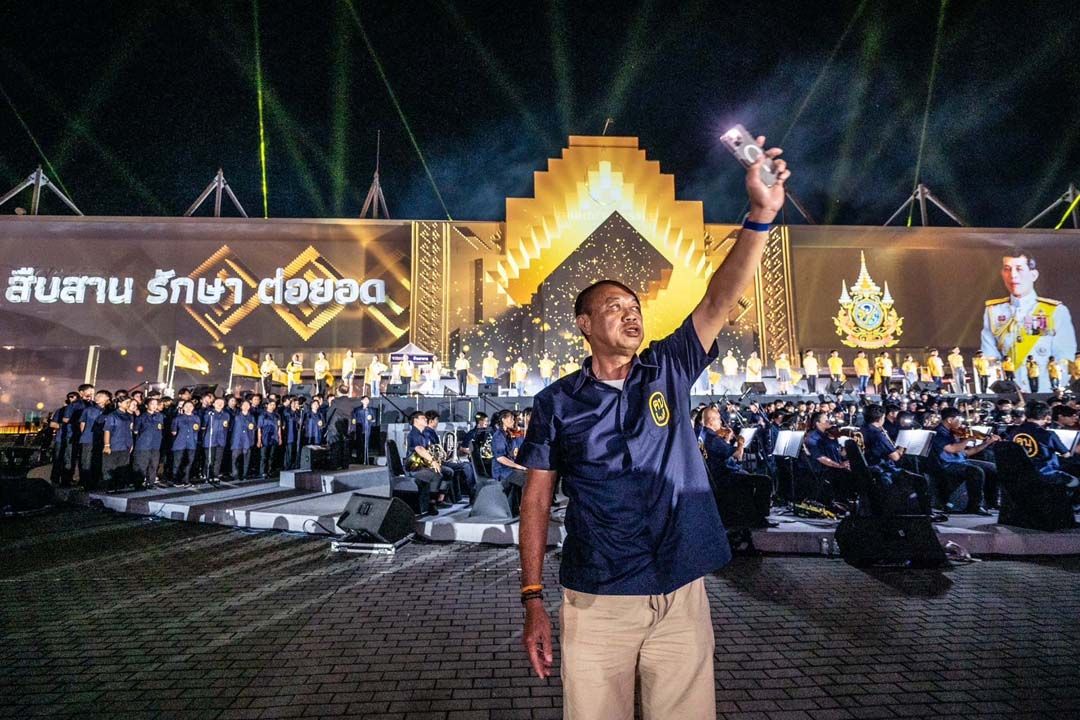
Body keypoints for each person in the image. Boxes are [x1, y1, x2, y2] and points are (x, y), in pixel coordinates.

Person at [516, 136, 789, 718]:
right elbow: (537, 500)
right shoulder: (556, 402)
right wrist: (533, 599)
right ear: (585, 325)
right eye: (614, 305)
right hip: (597, 601)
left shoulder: (669, 367)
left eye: (635, 303)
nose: (631, 310)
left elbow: (720, 297)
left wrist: (761, 216)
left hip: (680, 594)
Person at [981, 249, 1076, 393]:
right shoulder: (994, 311)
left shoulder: (1055, 311)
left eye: (1019, 269)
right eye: (1007, 269)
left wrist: (1054, 390)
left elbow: (1065, 359)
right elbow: (989, 356)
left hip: (1046, 392)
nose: (1013, 275)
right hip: (1008, 395)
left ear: (1033, 275)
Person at [699, 407, 774, 528]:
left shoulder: (703, 434)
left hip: (713, 477)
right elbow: (738, 456)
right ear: (711, 421)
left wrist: (727, 439)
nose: (721, 423)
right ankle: (759, 519)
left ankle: (750, 516)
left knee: (746, 478)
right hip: (723, 477)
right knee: (765, 481)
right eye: (718, 420)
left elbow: (720, 451)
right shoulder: (714, 439)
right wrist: (741, 442)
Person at [860, 404, 933, 515]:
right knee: (920, 480)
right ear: (882, 417)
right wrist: (902, 446)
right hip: (881, 469)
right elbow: (896, 457)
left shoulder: (863, 429)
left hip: (867, 468)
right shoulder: (877, 434)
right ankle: (923, 513)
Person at [929, 407, 998, 514]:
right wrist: (968, 439)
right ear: (950, 420)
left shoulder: (955, 432)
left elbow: (967, 452)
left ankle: (991, 502)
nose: (961, 422)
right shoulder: (939, 433)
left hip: (961, 461)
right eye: (959, 419)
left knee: (992, 468)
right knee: (975, 471)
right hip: (947, 465)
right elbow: (953, 449)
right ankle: (974, 505)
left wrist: (987, 443)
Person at [1007, 401, 1080, 489]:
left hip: (1022, 474)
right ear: (1046, 416)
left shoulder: (1014, 432)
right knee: (1075, 480)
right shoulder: (1048, 434)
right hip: (1046, 474)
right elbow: (1066, 455)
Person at [804, 411, 854, 502]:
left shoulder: (829, 434)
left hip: (835, 466)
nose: (829, 422)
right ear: (818, 423)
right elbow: (820, 457)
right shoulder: (813, 437)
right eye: (826, 420)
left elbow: (839, 452)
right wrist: (839, 465)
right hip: (824, 470)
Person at [491, 409, 527, 514]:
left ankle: (518, 507)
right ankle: (524, 509)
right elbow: (500, 458)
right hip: (502, 471)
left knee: (530, 476)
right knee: (526, 481)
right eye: (511, 419)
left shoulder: (509, 434)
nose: (513, 421)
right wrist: (518, 466)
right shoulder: (498, 436)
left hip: (510, 469)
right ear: (503, 420)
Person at [78, 390, 111, 491]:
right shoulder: (88, 410)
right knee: (86, 461)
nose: (97, 397)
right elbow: (82, 424)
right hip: (89, 439)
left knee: (98, 462)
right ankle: (86, 484)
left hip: (102, 440)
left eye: (101, 396)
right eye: (97, 395)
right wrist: (85, 435)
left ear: (106, 399)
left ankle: (97, 482)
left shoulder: (109, 412)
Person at [101, 397, 135, 492]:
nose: (128, 404)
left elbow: (130, 430)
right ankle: (108, 486)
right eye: (126, 402)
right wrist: (107, 445)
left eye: (129, 402)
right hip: (114, 444)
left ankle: (120, 486)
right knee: (110, 466)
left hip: (125, 444)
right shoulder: (112, 415)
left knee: (122, 466)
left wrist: (131, 443)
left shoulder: (129, 416)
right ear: (119, 404)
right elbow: (107, 430)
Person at [133, 397, 164, 489]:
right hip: (143, 445)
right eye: (152, 404)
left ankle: (151, 482)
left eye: (156, 404)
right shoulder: (141, 417)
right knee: (142, 465)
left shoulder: (159, 416)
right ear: (147, 405)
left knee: (153, 465)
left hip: (155, 444)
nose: (154, 406)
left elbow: (160, 429)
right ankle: (139, 484)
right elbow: (136, 431)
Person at [170, 400, 199, 487]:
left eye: (190, 406)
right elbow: (173, 432)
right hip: (179, 443)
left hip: (191, 444)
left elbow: (197, 430)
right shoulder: (178, 418)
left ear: (193, 408)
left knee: (189, 462)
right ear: (183, 408)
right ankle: (176, 480)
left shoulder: (196, 418)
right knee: (177, 462)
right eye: (186, 406)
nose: (188, 408)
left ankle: (186, 480)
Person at [230, 400, 257, 480]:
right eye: (244, 405)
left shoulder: (251, 417)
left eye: (247, 405)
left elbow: (254, 428)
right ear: (241, 406)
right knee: (235, 459)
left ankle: (245, 474)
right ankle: (235, 475)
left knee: (246, 459)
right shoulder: (236, 416)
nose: (246, 406)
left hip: (247, 440)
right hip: (237, 441)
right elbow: (231, 428)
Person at [256, 399, 282, 478]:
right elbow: (259, 428)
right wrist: (259, 440)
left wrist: (280, 438)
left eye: (274, 405)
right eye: (271, 404)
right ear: (267, 405)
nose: (272, 406)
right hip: (265, 437)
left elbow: (279, 427)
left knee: (272, 456)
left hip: (274, 437)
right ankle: (262, 472)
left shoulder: (277, 415)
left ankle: (269, 471)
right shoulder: (262, 415)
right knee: (264, 456)